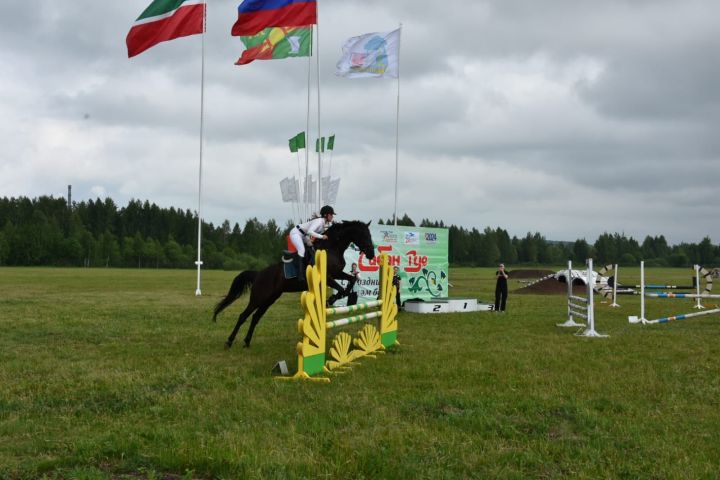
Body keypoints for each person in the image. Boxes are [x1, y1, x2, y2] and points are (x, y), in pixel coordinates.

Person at [289, 205, 335, 278]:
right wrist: (322, 237)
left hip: (304, 235)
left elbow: (313, 234)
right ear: (326, 215)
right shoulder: (319, 221)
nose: (332, 216)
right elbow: (310, 231)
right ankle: (300, 275)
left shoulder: (324, 224)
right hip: (296, 233)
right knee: (302, 250)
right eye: (331, 214)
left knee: (312, 249)